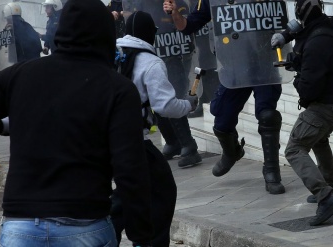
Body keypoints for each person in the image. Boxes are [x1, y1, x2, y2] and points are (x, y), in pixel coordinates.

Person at [0, 1, 153, 246]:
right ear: (107, 35)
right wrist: (142, 236)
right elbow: (130, 169)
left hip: (21, 226)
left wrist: (1, 127)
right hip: (84, 224)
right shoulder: (117, 88)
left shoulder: (20, 75)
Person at [163, 0, 287, 194]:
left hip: (264, 63)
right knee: (220, 116)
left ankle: (272, 171)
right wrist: (175, 14)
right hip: (235, 66)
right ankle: (232, 152)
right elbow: (188, 26)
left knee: (268, 115)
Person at [111, 11, 198, 247]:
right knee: (162, 190)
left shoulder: (111, 53)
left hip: (101, 136)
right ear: (152, 34)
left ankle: (110, 234)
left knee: (128, 188)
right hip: (132, 140)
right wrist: (188, 105)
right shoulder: (150, 62)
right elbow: (165, 105)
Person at [272, 0, 333, 226]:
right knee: (319, 138)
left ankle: (325, 197)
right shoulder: (331, 24)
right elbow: (303, 31)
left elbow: (308, 88)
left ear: (300, 13)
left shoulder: (316, 44)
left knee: (295, 148)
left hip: (327, 105)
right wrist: (286, 37)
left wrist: (298, 70)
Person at [124, 0, 202, 168]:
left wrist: (174, 13)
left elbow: (185, 28)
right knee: (156, 103)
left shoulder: (174, 2)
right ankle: (172, 141)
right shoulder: (141, 5)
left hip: (174, 58)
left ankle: (189, 145)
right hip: (151, 56)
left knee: (172, 99)